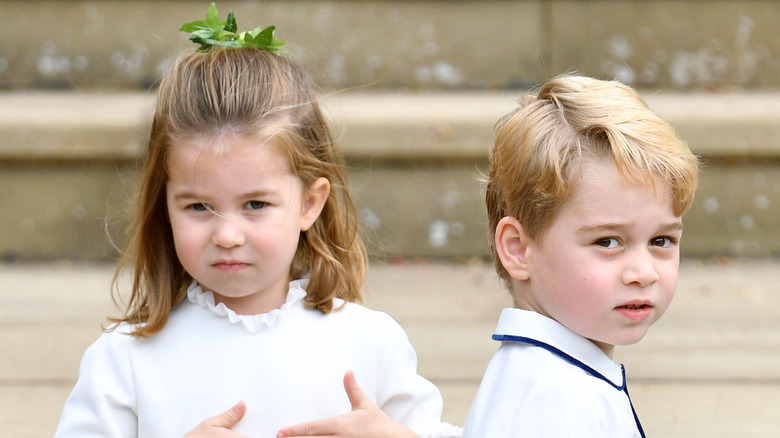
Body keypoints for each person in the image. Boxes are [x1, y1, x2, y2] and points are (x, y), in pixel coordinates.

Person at [54, 5, 459, 438]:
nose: (227, 235)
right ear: (163, 205)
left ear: (309, 203)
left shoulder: (369, 343)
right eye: (197, 207)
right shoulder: (125, 360)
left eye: (256, 205)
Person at [461, 75, 699, 437]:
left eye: (661, 240)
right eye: (607, 242)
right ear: (518, 249)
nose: (643, 272)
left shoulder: (544, 372)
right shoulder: (561, 397)